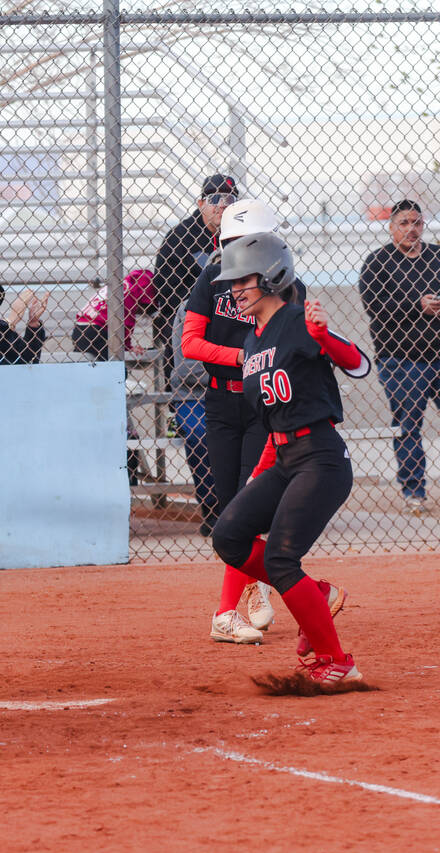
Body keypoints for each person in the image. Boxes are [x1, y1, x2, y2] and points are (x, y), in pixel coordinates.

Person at [210, 232, 372, 686]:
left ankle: (337, 660)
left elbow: (358, 364)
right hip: (284, 457)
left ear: (273, 275)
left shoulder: (301, 320)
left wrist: (324, 337)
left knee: (281, 558)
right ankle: (313, 594)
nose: (235, 290)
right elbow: (271, 418)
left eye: (244, 280)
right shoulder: (252, 341)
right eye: (233, 282)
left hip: (321, 457)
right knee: (230, 536)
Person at [182, 199, 306, 643]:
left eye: (243, 243)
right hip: (220, 403)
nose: (234, 253)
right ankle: (256, 587)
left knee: (248, 506)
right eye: (230, 243)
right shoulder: (211, 282)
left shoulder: (289, 288)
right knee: (227, 504)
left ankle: (231, 609)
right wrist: (243, 357)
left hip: (261, 406)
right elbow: (192, 344)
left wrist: (259, 363)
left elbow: (292, 344)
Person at [358, 199, 440, 515]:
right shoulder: (378, 262)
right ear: (391, 227)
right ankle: (414, 491)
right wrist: (417, 306)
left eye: (416, 223)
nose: (411, 229)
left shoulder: (436, 257)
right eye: (404, 223)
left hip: (438, 354)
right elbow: (375, 307)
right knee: (408, 426)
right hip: (401, 360)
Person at [153, 174, 238, 382]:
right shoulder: (180, 237)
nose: (222, 206)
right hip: (189, 324)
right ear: (201, 203)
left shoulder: (238, 235)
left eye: (230, 200)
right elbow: (166, 292)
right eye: (215, 199)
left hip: (229, 323)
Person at [169, 301, 219, 538]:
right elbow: (186, 370)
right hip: (193, 394)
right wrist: (232, 366)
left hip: (235, 390)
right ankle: (211, 507)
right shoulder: (190, 307)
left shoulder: (249, 304)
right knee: (199, 434)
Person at [71, 269, 154, 361]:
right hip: (97, 332)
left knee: (87, 365)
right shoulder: (130, 293)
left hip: (80, 329)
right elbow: (125, 324)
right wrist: (127, 347)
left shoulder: (117, 286)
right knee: (116, 366)